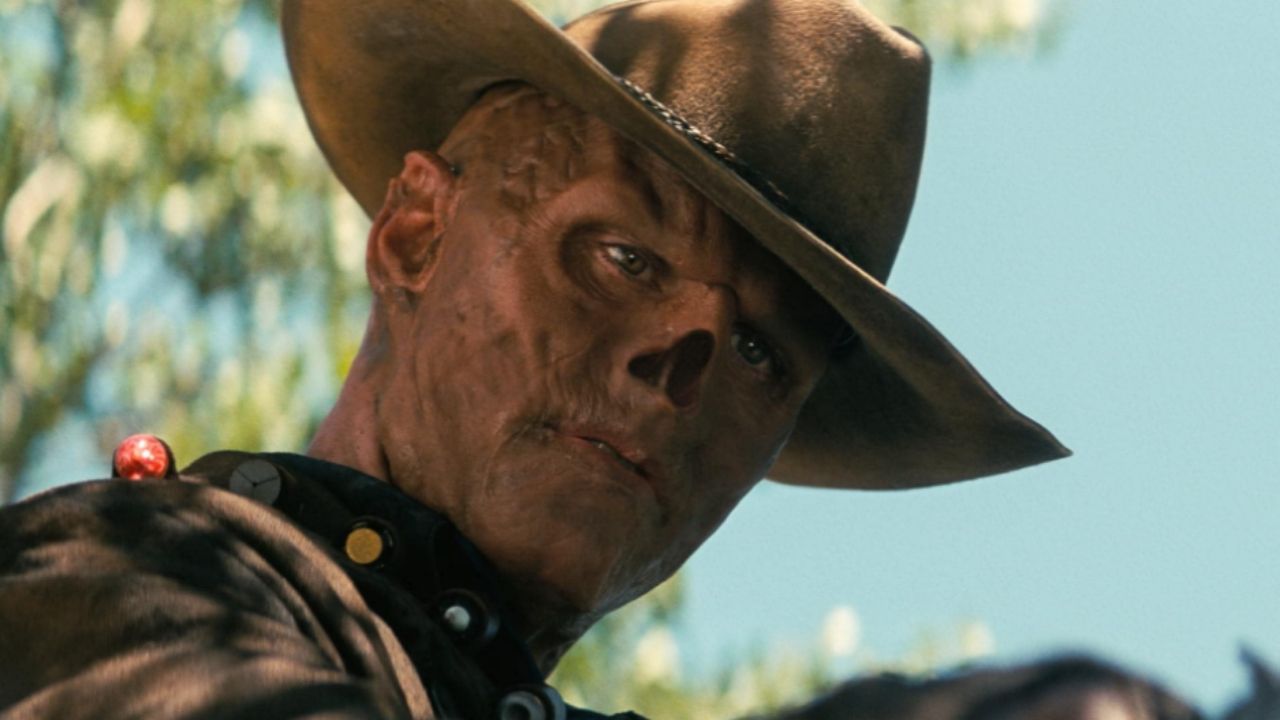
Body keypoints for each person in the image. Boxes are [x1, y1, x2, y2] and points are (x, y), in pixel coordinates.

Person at [0, 0, 1199, 718]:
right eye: (623, 259)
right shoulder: (135, 575)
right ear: (414, 233)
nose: (681, 368)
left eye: (758, 353)